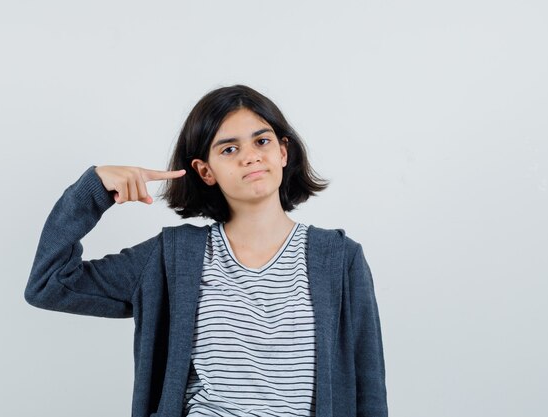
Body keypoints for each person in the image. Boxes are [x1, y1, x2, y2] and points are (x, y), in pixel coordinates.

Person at [24, 84, 388, 417]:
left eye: (261, 142)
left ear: (282, 151)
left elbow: (368, 388)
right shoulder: (173, 258)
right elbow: (50, 284)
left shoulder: (340, 258)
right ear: (205, 170)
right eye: (229, 149)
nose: (250, 156)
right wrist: (94, 189)